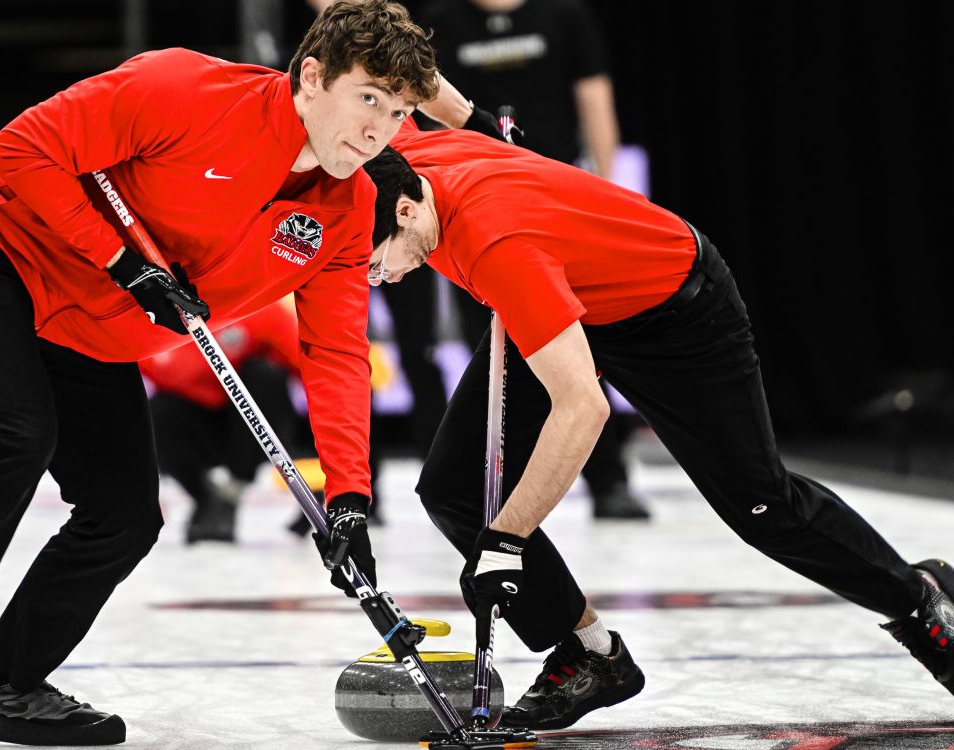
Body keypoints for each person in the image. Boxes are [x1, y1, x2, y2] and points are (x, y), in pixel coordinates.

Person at [0, 3, 437, 748]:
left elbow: (337, 353)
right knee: (13, 441)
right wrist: (123, 262)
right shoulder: (183, 88)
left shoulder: (347, 208)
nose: (380, 127)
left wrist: (347, 497)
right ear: (311, 78)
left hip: (89, 318)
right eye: (369, 98)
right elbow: (23, 152)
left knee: (125, 512)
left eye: (402, 110)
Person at [360, 124, 954, 730]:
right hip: (569, 292)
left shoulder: (498, 248)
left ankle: (920, 600)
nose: (383, 278)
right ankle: (591, 655)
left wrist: (508, 541)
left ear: (406, 209)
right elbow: (400, 74)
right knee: (455, 487)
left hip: (673, 311)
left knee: (761, 506)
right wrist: (466, 108)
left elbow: (582, 409)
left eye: (378, 262)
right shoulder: (394, 155)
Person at [414, 0, 650, 520]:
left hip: (554, 204)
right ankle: (501, 490)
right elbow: (421, 98)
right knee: (496, 353)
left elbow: (594, 97)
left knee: (582, 344)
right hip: (474, 215)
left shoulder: (564, 15)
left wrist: (608, 187)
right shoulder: (441, 19)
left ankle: (609, 478)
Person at [141, 300, 309, 543]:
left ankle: (233, 487)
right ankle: (207, 497)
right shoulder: (144, 324)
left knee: (263, 374)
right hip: (198, 427)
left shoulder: (257, 306)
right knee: (156, 412)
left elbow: (313, 372)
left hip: (255, 430)